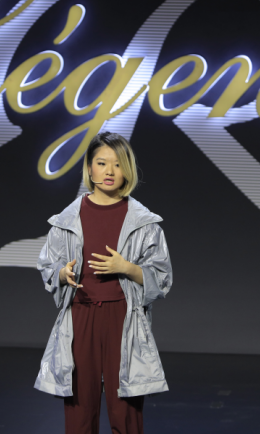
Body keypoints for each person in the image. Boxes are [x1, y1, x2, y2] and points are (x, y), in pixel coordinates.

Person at [34, 131, 172, 434]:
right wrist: (62, 273)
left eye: (117, 164)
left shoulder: (144, 223)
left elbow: (162, 278)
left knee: (126, 412)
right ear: (89, 167)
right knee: (80, 411)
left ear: (128, 170)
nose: (109, 171)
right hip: (80, 315)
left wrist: (127, 268)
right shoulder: (66, 220)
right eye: (101, 163)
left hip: (123, 317)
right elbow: (47, 265)